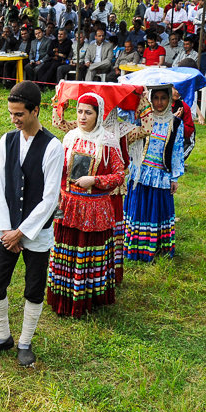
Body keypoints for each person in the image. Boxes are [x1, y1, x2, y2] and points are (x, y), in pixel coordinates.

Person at [0, 82, 62, 366]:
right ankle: (3, 336)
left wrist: (22, 232)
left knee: (33, 288)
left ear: (35, 110)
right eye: (11, 114)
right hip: (7, 231)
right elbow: (1, 186)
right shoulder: (6, 141)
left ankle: (25, 342)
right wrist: (7, 231)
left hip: (37, 233)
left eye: (19, 114)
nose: (14, 120)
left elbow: (50, 198)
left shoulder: (53, 147)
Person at [46, 92, 125, 317]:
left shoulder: (108, 141)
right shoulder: (70, 138)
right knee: (66, 249)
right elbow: (60, 169)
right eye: (79, 111)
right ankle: (64, 293)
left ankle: (89, 296)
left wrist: (95, 181)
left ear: (98, 115)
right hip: (69, 205)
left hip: (94, 208)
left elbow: (119, 175)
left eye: (88, 112)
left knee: (89, 252)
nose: (82, 116)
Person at [124, 85, 184, 262]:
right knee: (139, 210)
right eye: (155, 98)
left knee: (157, 211)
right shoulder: (143, 119)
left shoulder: (175, 123)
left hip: (161, 175)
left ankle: (156, 247)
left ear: (170, 100)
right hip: (140, 173)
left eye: (163, 98)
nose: (159, 102)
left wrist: (174, 178)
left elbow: (177, 151)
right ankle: (136, 247)